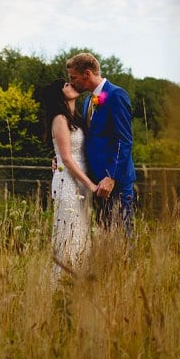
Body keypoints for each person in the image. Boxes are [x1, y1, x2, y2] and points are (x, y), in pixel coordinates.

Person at [66, 53, 136, 234]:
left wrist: (112, 176)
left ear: (87, 74)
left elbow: (125, 139)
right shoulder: (88, 100)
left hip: (116, 183)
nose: (72, 83)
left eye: (73, 78)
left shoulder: (116, 95)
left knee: (121, 237)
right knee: (105, 237)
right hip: (97, 184)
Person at [39, 78, 97, 281]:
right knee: (68, 233)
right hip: (67, 182)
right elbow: (66, 158)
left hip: (79, 181)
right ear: (59, 94)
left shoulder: (76, 117)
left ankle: (78, 281)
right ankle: (61, 283)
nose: (72, 86)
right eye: (66, 85)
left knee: (81, 233)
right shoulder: (59, 119)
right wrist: (90, 184)